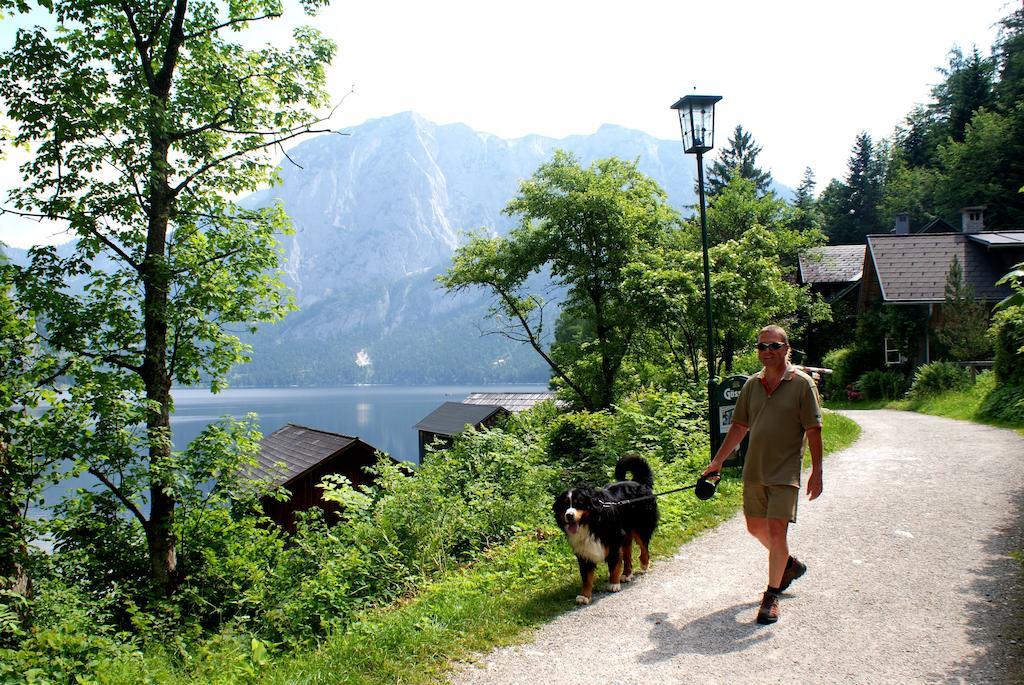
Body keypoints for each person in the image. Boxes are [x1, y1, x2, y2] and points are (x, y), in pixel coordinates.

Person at [702, 324, 823, 625]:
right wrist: (717, 461)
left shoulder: (802, 384)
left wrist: (817, 471)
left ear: (786, 348)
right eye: (761, 347)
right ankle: (788, 564)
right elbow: (739, 426)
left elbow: (814, 429)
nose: (767, 352)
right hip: (754, 469)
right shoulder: (752, 386)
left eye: (774, 346)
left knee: (777, 530)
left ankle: (771, 596)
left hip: (785, 473)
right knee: (755, 528)